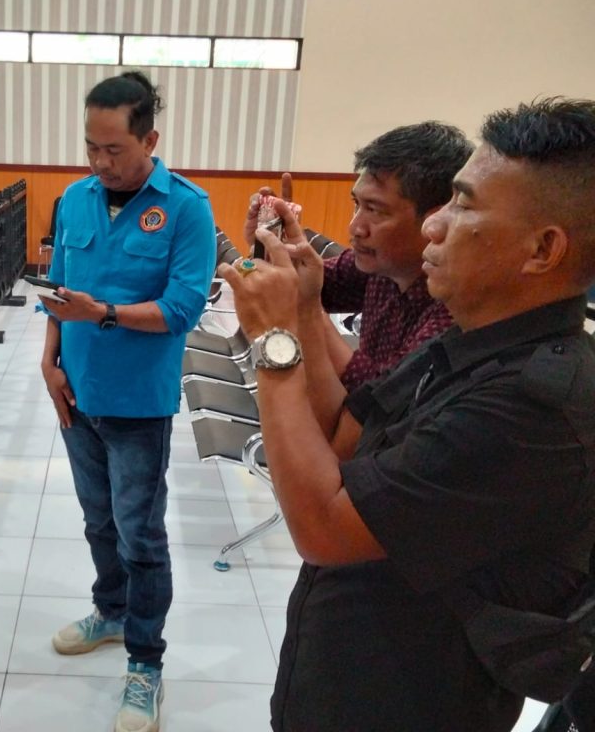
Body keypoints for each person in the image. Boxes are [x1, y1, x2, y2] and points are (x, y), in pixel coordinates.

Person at [220, 97, 595, 731]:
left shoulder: (531, 407)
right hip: (341, 672)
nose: (434, 225)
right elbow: (341, 439)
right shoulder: (471, 341)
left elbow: (323, 528)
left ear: (542, 249)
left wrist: (275, 342)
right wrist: (303, 307)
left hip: (409, 701)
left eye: (463, 205)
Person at [40, 71, 216, 732]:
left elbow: (181, 310)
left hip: (138, 405)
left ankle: (146, 662)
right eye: (91, 146)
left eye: (114, 149)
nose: (100, 161)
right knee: (98, 521)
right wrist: (50, 360)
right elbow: (58, 290)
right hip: (77, 393)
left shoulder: (187, 208)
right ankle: (111, 612)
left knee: (140, 534)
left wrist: (104, 313)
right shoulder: (74, 199)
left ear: (150, 140)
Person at [244, 123, 473, 407]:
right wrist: (269, 245)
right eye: (357, 204)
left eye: (374, 210)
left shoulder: (458, 309)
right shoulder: (381, 264)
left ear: (436, 220)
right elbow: (294, 284)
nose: (354, 227)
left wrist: (308, 306)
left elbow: (379, 401)